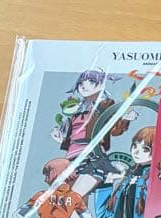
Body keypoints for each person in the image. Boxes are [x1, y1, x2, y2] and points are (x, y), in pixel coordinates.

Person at [50, 69, 136, 199]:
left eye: (91, 82)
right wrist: (60, 137)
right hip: (72, 158)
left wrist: (125, 119)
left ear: (101, 84)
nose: (84, 86)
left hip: (92, 156)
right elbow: (72, 135)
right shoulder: (76, 109)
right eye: (81, 83)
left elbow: (114, 129)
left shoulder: (105, 104)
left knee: (74, 197)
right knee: (75, 200)